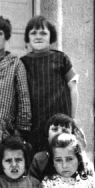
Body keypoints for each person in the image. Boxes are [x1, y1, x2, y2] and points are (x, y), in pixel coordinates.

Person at [20, 16, 78, 153]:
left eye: (43, 33)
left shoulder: (61, 58)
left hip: (59, 121)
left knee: (61, 152)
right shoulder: (22, 62)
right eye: (33, 33)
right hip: (35, 121)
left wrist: (72, 118)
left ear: (51, 36)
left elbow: (73, 88)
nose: (38, 37)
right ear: (28, 37)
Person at [28, 113, 80, 180]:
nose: (59, 133)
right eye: (55, 129)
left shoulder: (78, 158)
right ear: (48, 135)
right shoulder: (39, 159)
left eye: (65, 131)